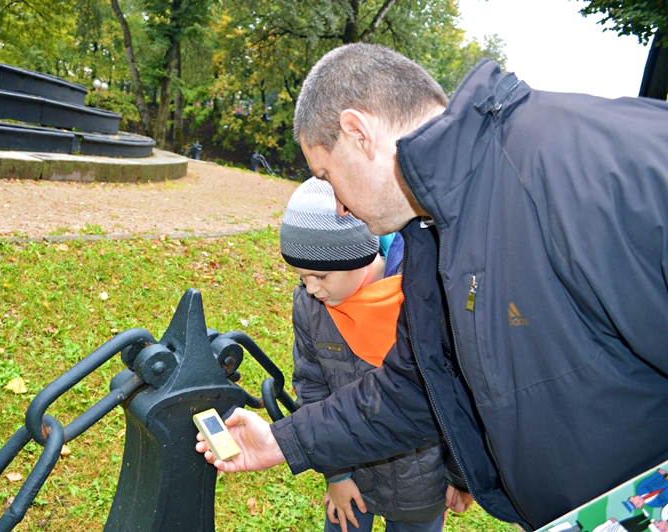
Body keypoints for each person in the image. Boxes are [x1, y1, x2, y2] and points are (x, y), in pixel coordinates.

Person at [197, 43, 668, 531]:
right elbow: (419, 387)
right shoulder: (431, 236)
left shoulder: (593, 162)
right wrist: (283, 441)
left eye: (327, 176)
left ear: (358, 133)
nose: (338, 207)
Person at [280, 177, 457, 532]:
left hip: (422, 484)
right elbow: (311, 385)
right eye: (302, 276)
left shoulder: (423, 297)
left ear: (357, 257)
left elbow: (455, 394)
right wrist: (336, 474)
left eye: (320, 276)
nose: (311, 288)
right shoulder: (310, 306)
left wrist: (460, 475)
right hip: (351, 478)